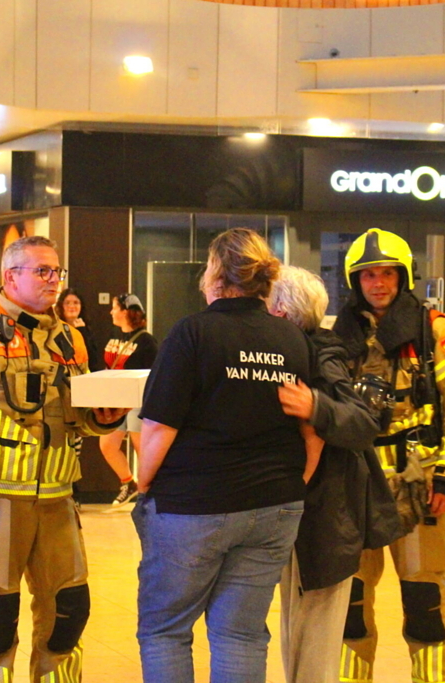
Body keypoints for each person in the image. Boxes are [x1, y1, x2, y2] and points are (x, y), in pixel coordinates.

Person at [134, 228, 319, 683]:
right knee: (241, 634)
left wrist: (140, 481)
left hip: (194, 505)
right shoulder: (292, 338)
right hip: (274, 504)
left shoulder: (192, 333)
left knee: (166, 630)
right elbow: (311, 428)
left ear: (215, 274)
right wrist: (293, 484)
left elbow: (158, 426)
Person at [0, 236, 127, 683]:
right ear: (11, 277)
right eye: (42, 272)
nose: (54, 281)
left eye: (57, 272)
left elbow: (79, 417)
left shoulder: (69, 338)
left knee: (69, 612)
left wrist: (103, 419)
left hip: (58, 498)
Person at [330, 228, 445, 683]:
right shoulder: (339, 334)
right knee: (348, 611)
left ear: (404, 276)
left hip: (420, 488)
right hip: (355, 487)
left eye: (387, 274)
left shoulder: (435, 331)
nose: (378, 283)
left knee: (424, 606)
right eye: (368, 275)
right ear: (355, 282)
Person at [267, 266, 404, 683]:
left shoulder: (320, 353)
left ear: (282, 310)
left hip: (328, 517)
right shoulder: (284, 353)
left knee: (318, 635)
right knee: (297, 627)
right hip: (299, 513)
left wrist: (316, 408)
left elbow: (363, 421)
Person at [100, 292, 158, 506]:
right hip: (117, 399)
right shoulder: (115, 335)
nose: (111, 311)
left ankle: (149, 494)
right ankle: (129, 482)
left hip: (138, 401)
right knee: (107, 444)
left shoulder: (146, 341)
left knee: (142, 448)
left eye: (115, 307)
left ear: (125, 311)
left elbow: (153, 374)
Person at [55, 288, 103, 372]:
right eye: (67, 303)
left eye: (76, 303)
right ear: (61, 305)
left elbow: (93, 360)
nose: (72, 306)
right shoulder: (55, 327)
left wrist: (82, 332)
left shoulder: (86, 328)